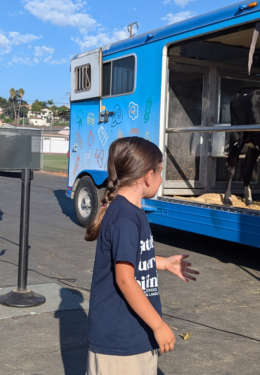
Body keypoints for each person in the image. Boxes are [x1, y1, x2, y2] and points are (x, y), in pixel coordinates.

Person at [84, 137, 199, 374]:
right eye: (160, 172)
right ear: (148, 176)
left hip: (133, 335)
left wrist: (165, 263)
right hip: (120, 343)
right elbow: (125, 279)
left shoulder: (130, 212)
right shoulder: (125, 218)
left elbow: (128, 259)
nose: (161, 178)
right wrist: (158, 325)